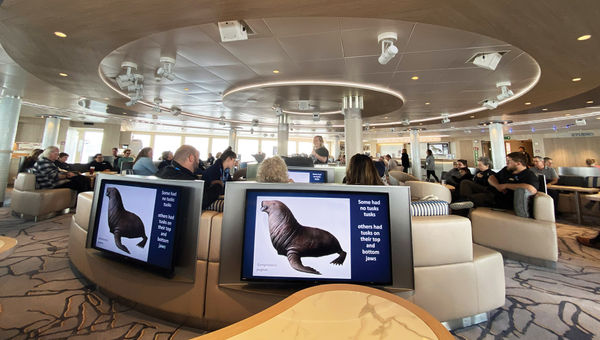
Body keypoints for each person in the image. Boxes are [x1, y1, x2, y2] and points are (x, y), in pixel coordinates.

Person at [460, 152, 538, 211]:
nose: (506, 163)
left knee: (472, 198)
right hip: (492, 190)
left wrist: (506, 186)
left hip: (500, 199)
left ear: (518, 163)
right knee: (465, 182)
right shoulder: (506, 170)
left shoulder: (528, 175)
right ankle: (464, 203)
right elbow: (491, 177)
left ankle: (464, 208)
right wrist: (497, 185)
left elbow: (531, 189)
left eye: (509, 161)